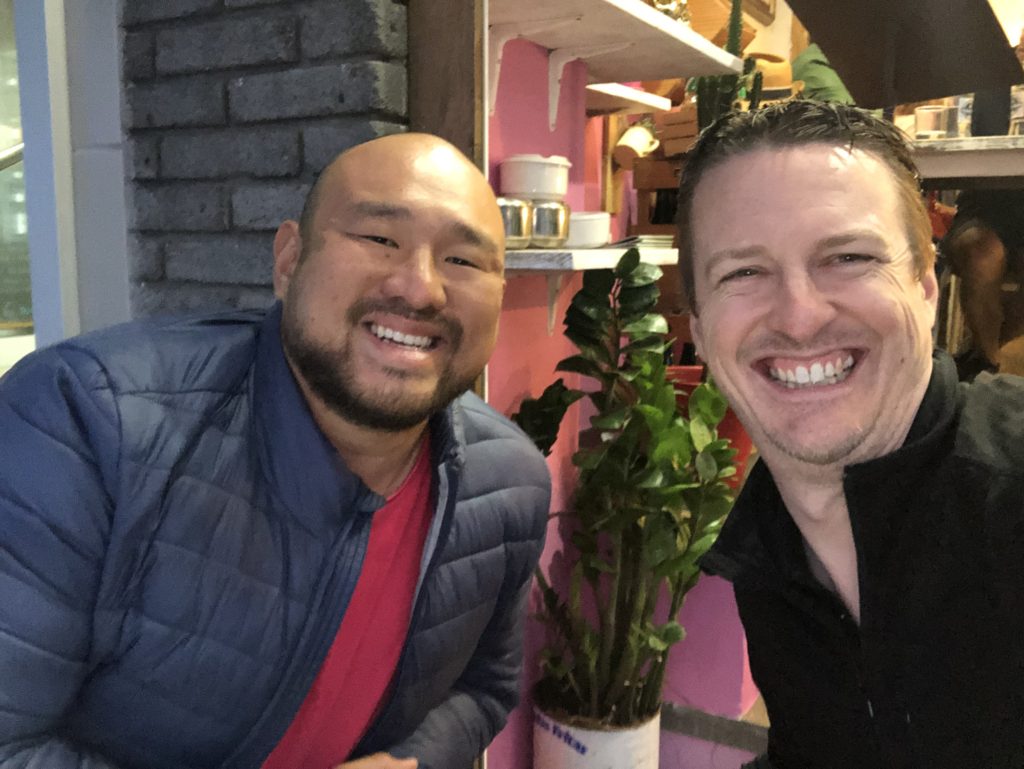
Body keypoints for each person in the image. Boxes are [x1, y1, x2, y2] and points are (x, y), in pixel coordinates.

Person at [0, 133, 551, 769]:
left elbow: (484, 688)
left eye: (464, 261)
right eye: (380, 239)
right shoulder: (84, 422)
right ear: (289, 261)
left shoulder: (510, 480)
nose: (421, 289)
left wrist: (413, 762)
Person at [675, 100, 1024, 768]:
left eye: (849, 256)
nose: (800, 317)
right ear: (698, 324)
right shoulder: (770, 554)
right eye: (744, 272)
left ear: (925, 285)